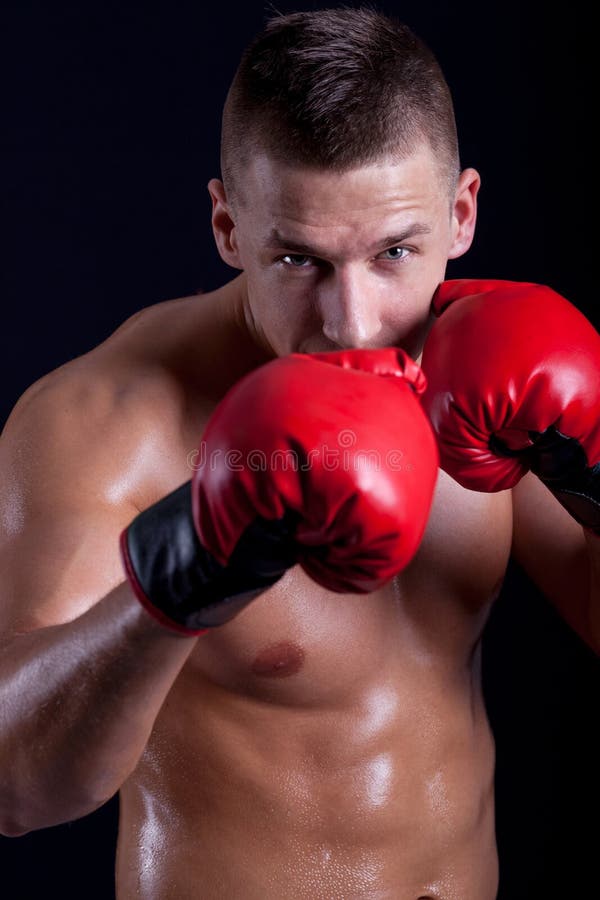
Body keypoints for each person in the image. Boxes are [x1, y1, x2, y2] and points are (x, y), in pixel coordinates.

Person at [0, 7, 598, 899]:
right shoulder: (106, 422)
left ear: (462, 213)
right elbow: (16, 787)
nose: (350, 321)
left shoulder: (491, 379)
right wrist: (186, 570)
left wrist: (591, 474)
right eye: (297, 260)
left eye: (395, 252)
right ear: (228, 227)